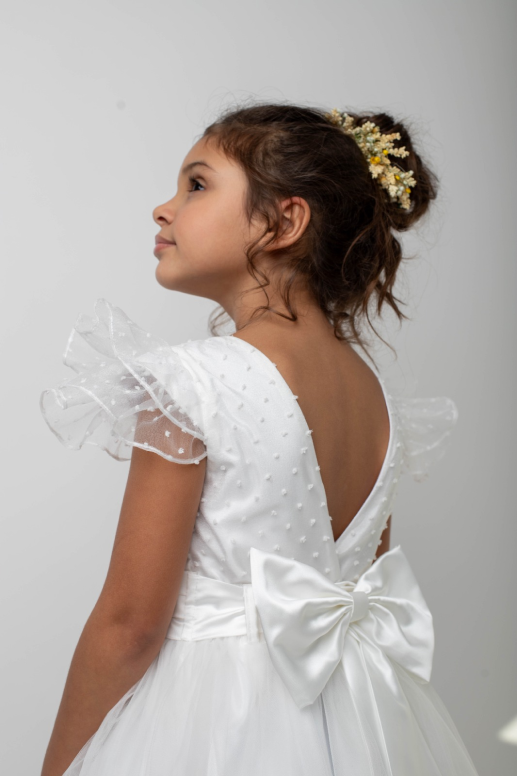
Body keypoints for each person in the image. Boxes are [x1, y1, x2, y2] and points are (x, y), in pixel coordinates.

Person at [39, 101, 480, 775]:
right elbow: (357, 586)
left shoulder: (190, 383)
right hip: (356, 721)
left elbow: (130, 625)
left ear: (283, 222)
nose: (163, 209)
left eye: (196, 184)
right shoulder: (375, 398)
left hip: (217, 720)